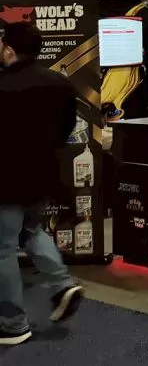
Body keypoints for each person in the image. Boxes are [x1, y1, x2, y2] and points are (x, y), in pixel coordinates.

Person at [0, 23, 84, 345]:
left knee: (3, 249)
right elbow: (66, 129)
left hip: (6, 179)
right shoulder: (60, 83)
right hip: (43, 176)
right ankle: (62, 285)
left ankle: (13, 324)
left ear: (9, 49)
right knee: (31, 231)